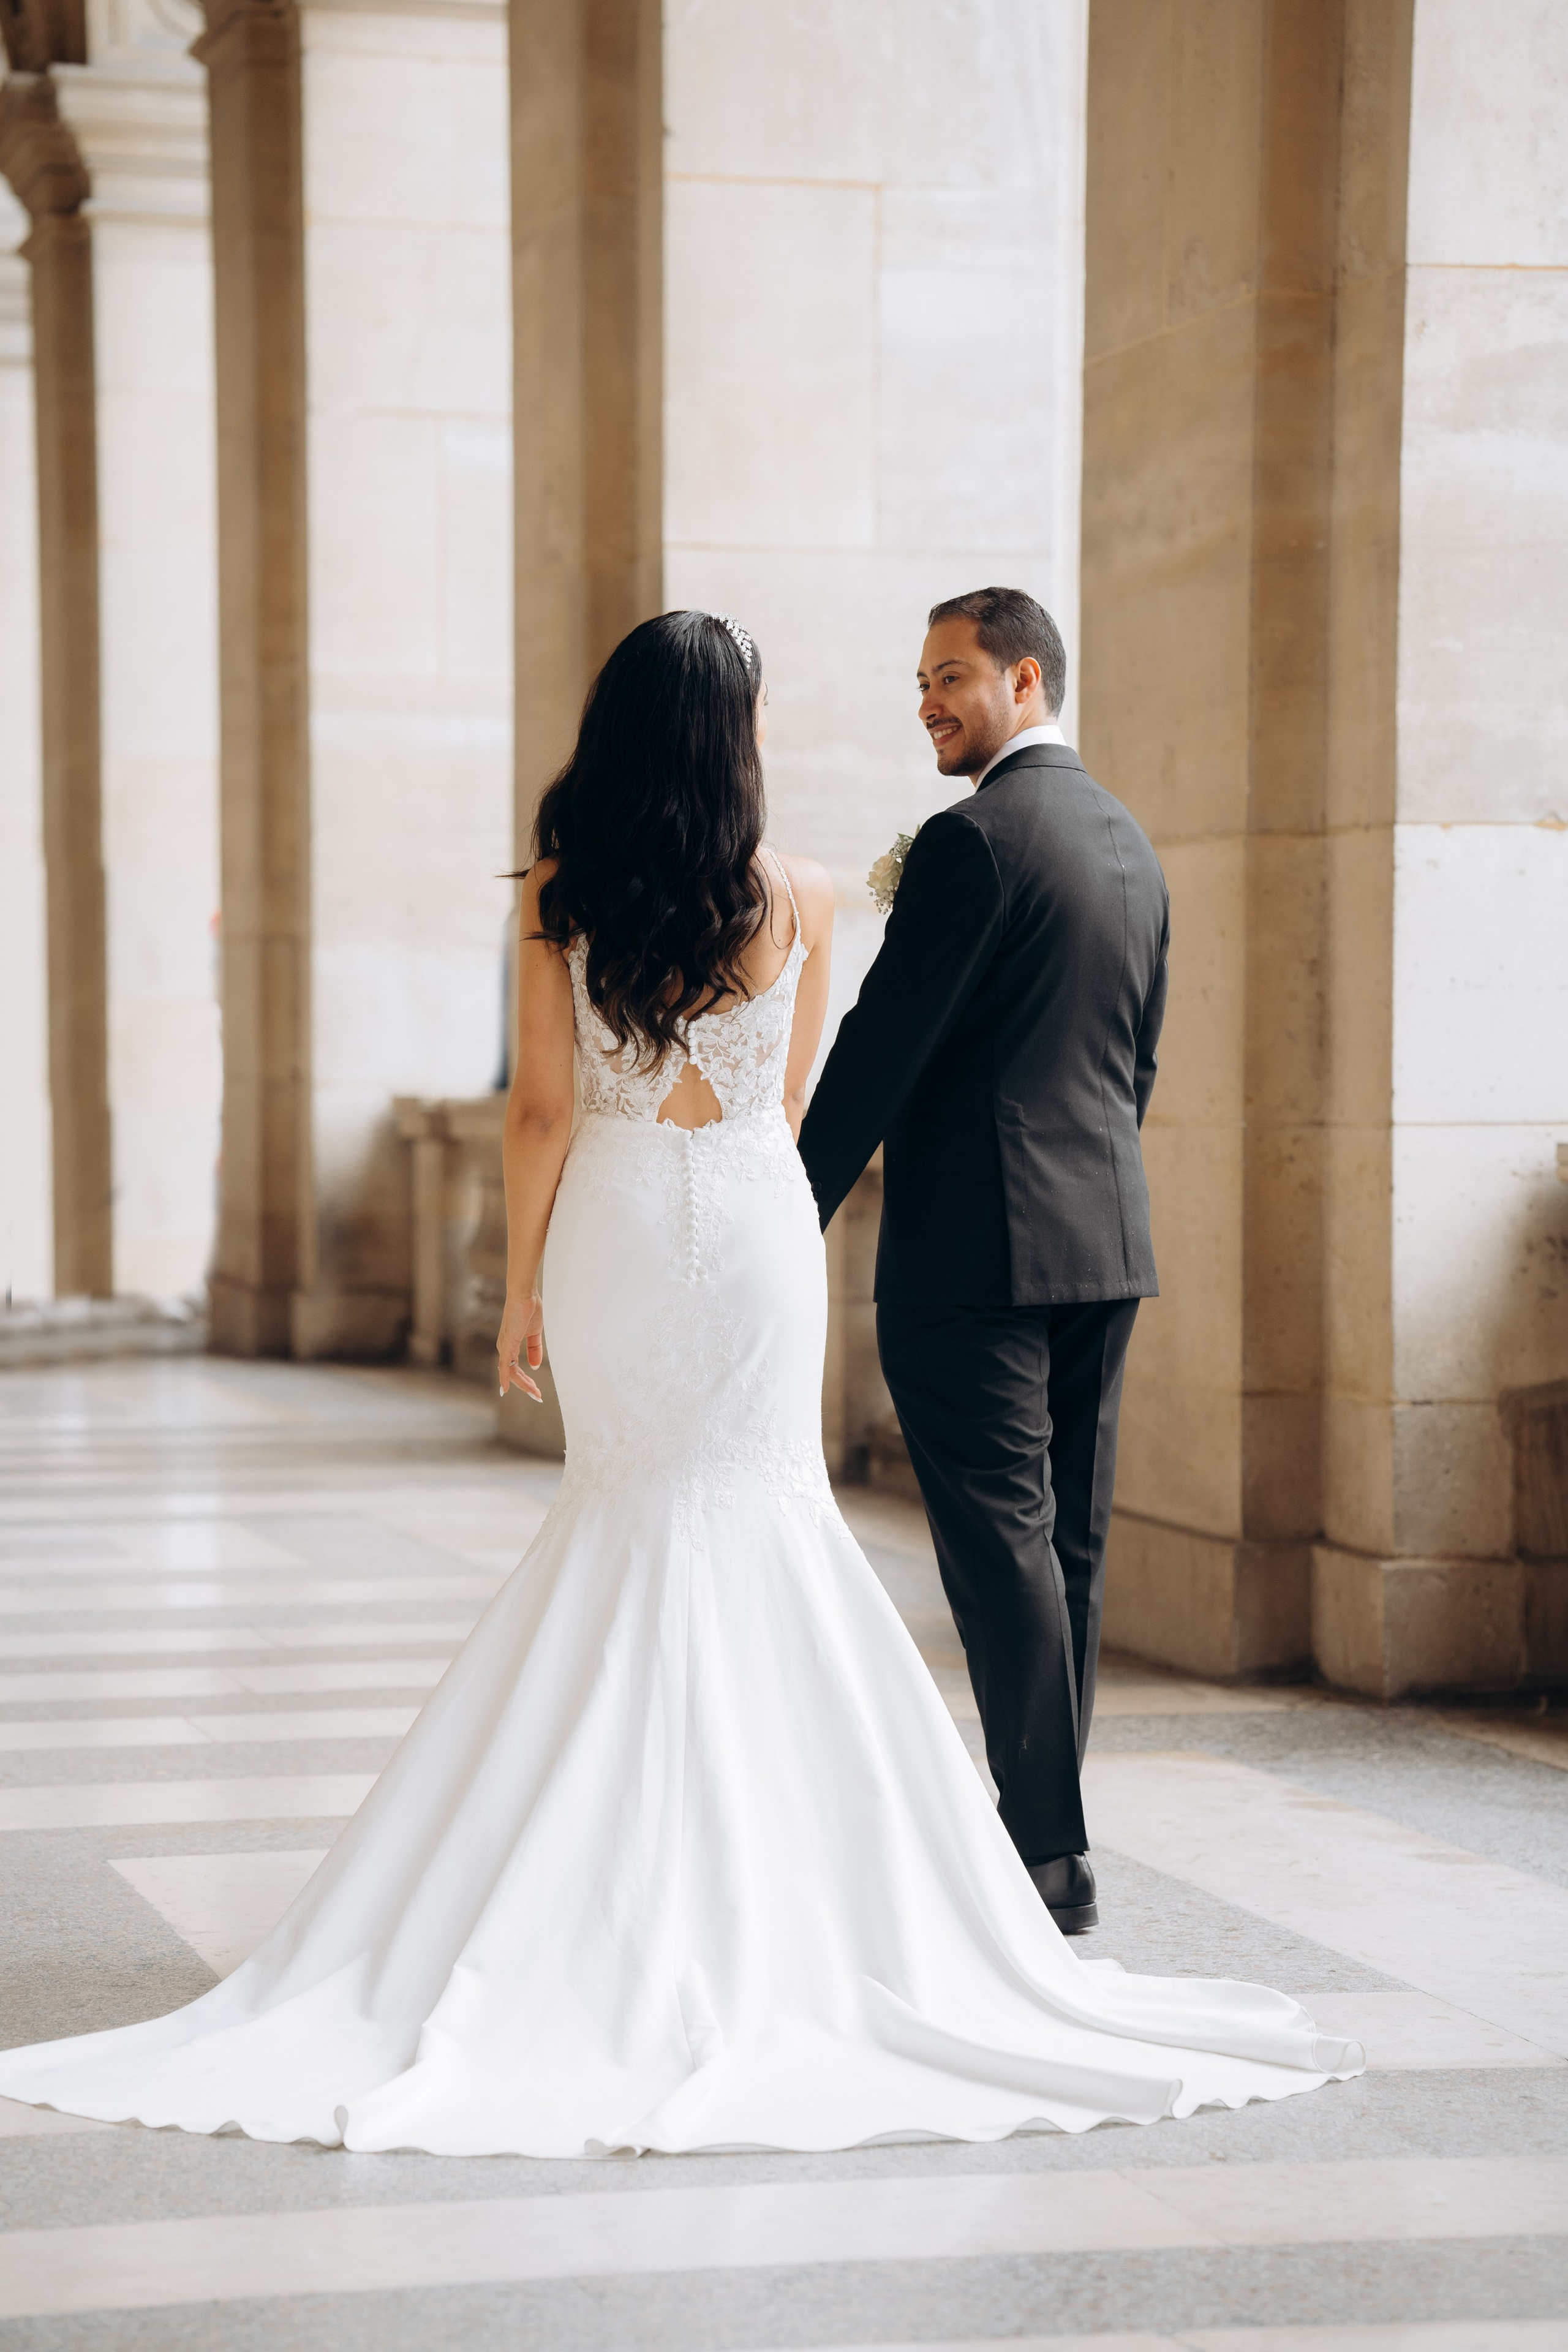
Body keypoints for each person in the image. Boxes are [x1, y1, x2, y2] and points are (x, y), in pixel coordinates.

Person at [0, 611, 1358, 2155]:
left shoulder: (562, 895)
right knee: (771, 1518)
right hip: (761, 1226)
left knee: (625, 1510)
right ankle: (870, 1891)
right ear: (736, 738)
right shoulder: (807, 895)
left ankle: (594, 1886)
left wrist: (516, 1284)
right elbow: (784, 1100)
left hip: (625, 1228)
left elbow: (537, 1112)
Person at [799, 587, 1167, 1937]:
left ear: (1024, 680)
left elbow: (878, 1052)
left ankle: (1047, 1845)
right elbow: (1131, 1062)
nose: (927, 704)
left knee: (1002, 1537)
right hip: (1101, 1236)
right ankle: (1044, 1830)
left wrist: (788, 1214)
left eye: (949, 677)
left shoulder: (974, 844)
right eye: (918, 681)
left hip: (975, 1255)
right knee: (1063, 1538)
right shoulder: (1128, 843)